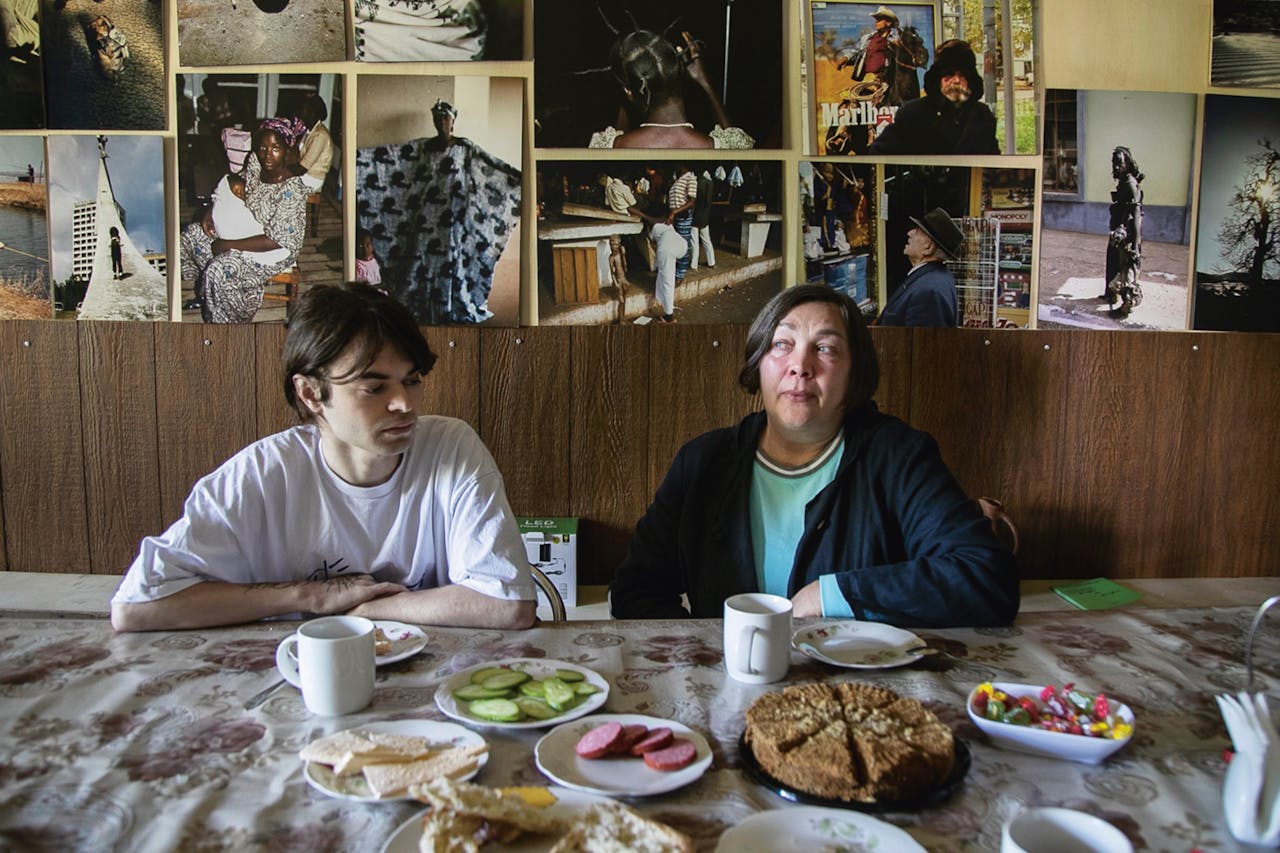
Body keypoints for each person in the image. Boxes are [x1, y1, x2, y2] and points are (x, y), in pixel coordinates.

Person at [110, 283, 538, 633]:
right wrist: (311, 596)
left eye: (411, 381)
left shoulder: (451, 448)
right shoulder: (262, 474)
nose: (403, 404)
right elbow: (137, 606)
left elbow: (507, 604)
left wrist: (365, 610)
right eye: (375, 388)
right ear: (311, 393)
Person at [609, 284, 1018, 626]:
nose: (800, 366)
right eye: (781, 344)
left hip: (858, 694)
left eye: (825, 349)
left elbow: (985, 577)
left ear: (855, 372)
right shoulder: (703, 462)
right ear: (758, 363)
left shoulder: (898, 456)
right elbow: (635, 591)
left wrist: (831, 595)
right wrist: (708, 658)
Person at [355, 99, 521, 325]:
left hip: (455, 217)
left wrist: (523, 179)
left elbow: (492, 165)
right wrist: (357, 158)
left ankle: (451, 303)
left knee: (451, 260)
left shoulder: (465, 147)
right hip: (427, 216)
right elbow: (394, 157)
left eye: (446, 118)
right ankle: (422, 302)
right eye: (438, 118)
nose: (442, 122)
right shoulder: (423, 147)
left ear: (453, 120)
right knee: (422, 259)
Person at [179, 117, 309, 322]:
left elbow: (277, 241)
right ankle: (208, 294)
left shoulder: (291, 190)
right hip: (249, 227)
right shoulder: (257, 164)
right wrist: (210, 209)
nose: (268, 155)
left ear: (287, 150)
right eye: (263, 147)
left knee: (220, 268)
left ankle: (226, 320)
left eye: (276, 148)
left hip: (274, 249)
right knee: (191, 235)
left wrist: (227, 245)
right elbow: (233, 184)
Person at [588, 28, 754, 150]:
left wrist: (626, 95)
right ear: (678, 73)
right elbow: (737, 140)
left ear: (629, 91)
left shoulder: (609, 146)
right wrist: (705, 83)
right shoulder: (716, 147)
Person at [868, 39, 999, 156]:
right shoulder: (913, 114)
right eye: (949, 74)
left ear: (971, 79)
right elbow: (879, 153)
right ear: (938, 79)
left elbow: (994, 164)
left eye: (963, 75)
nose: (956, 81)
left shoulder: (983, 116)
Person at [878, 208, 962, 327]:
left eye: (918, 231)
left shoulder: (929, 292)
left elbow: (921, 343)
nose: (909, 233)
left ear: (929, 248)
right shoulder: (932, 277)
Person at [1105, 145, 1144, 317]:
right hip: (1118, 233)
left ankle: (1125, 308)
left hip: (1127, 237)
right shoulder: (1123, 181)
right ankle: (1110, 296)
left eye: (1119, 163)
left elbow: (1136, 217)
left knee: (1127, 272)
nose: (1116, 167)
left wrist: (1134, 246)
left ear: (1127, 163)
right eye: (1114, 163)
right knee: (1113, 263)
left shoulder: (1130, 184)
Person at [666, 164, 697, 287]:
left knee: (683, 245)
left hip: (683, 215)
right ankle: (674, 272)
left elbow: (691, 201)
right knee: (675, 245)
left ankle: (680, 275)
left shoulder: (691, 177)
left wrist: (674, 211)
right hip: (675, 216)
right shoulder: (678, 179)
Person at [296, 93, 334, 192]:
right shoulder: (310, 130)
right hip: (305, 175)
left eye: (303, 109)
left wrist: (280, 171)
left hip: (311, 179)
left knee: (278, 184)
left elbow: (302, 169)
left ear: (312, 113)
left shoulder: (319, 136)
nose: (300, 112)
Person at [689, 171, 716, 271]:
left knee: (694, 242)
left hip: (696, 217)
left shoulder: (697, 183)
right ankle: (711, 262)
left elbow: (693, 202)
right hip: (705, 217)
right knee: (707, 240)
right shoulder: (710, 184)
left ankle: (693, 265)